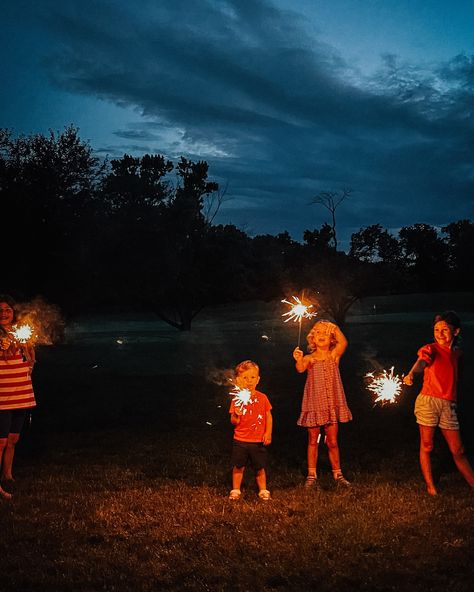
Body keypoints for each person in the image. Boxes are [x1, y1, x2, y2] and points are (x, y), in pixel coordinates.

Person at [403, 311, 474, 496]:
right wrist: (412, 373)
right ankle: (431, 487)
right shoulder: (430, 348)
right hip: (428, 401)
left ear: (456, 331)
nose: (440, 333)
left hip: (448, 404)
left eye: (445, 329)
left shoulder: (458, 354)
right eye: (436, 329)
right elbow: (421, 362)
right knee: (427, 445)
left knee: (458, 450)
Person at [293, 320, 352, 488]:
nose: (321, 335)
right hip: (314, 405)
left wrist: (333, 326)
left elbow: (344, 342)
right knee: (313, 439)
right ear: (312, 338)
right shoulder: (309, 359)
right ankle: (312, 474)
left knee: (332, 441)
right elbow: (300, 369)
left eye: (325, 333)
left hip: (331, 403)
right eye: (317, 332)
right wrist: (298, 359)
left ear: (331, 338)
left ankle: (337, 474)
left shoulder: (334, 356)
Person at [0, 295, 36, 500]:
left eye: (8, 309)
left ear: (13, 313)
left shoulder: (23, 331)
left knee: (13, 439)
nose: (4, 313)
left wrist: (30, 364)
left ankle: (8, 475)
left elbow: (31, 357)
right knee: (1, 441)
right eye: (0, 310)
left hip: (21, 392)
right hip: (2, 393)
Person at [228, 360, 273, 501]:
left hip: (257, 440)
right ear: (238, 380)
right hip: (240, 440)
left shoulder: (262, 398)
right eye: (245, 378)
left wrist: (268, 433)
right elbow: (233, 422)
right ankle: (235, 490)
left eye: (252, 377)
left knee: (259, 467)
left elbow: (268, 416)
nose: (249, 381)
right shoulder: (237, 399)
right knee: (238, 466)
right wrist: (236, 414)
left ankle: (263, 490)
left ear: (258, 379)